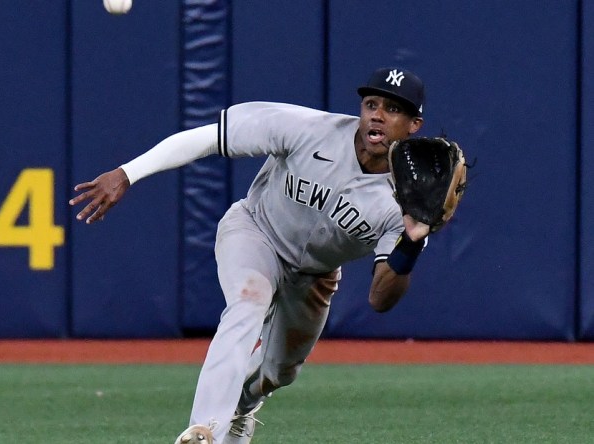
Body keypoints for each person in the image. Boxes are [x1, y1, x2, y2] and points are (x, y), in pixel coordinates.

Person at [70, 67, 429, 444]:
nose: (376, 114)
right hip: (256, 231)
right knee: (248, 301)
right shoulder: (308, 128)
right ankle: (205, 430)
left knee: (279, 372)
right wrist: (129, 173)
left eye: (392, 109)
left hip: (316, 275)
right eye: (371, 103)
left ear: (414, 124)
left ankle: (243, 407)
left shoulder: (408, 199)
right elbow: (208, 138)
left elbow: (380, 299)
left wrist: (412, 243)